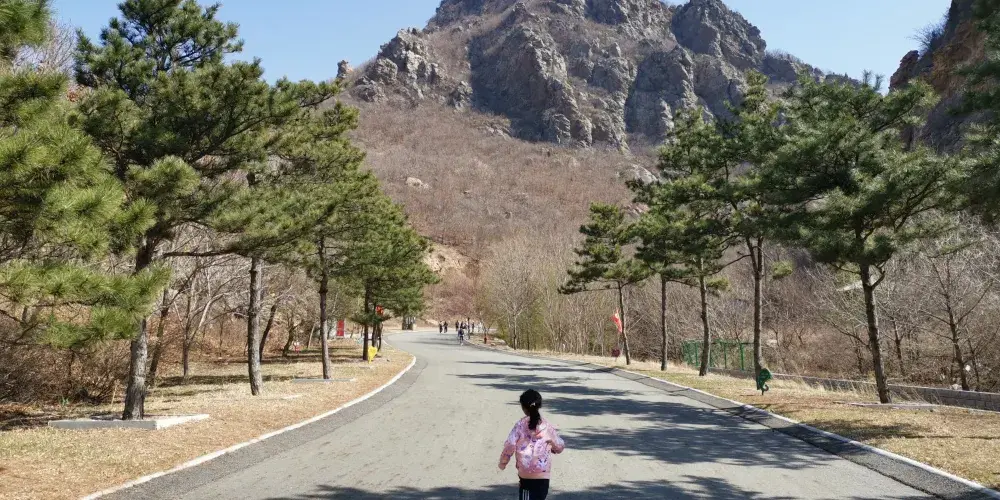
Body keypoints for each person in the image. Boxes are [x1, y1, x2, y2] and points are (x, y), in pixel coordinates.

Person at [499, 390, 565, 500]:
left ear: (523, 408)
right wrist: (553, 446)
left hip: (526, 474)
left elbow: (510, 444)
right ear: (539, 406)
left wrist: (503, 462)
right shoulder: (546, 426)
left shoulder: (520, 425)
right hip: (543, 475)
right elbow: (559, 446)